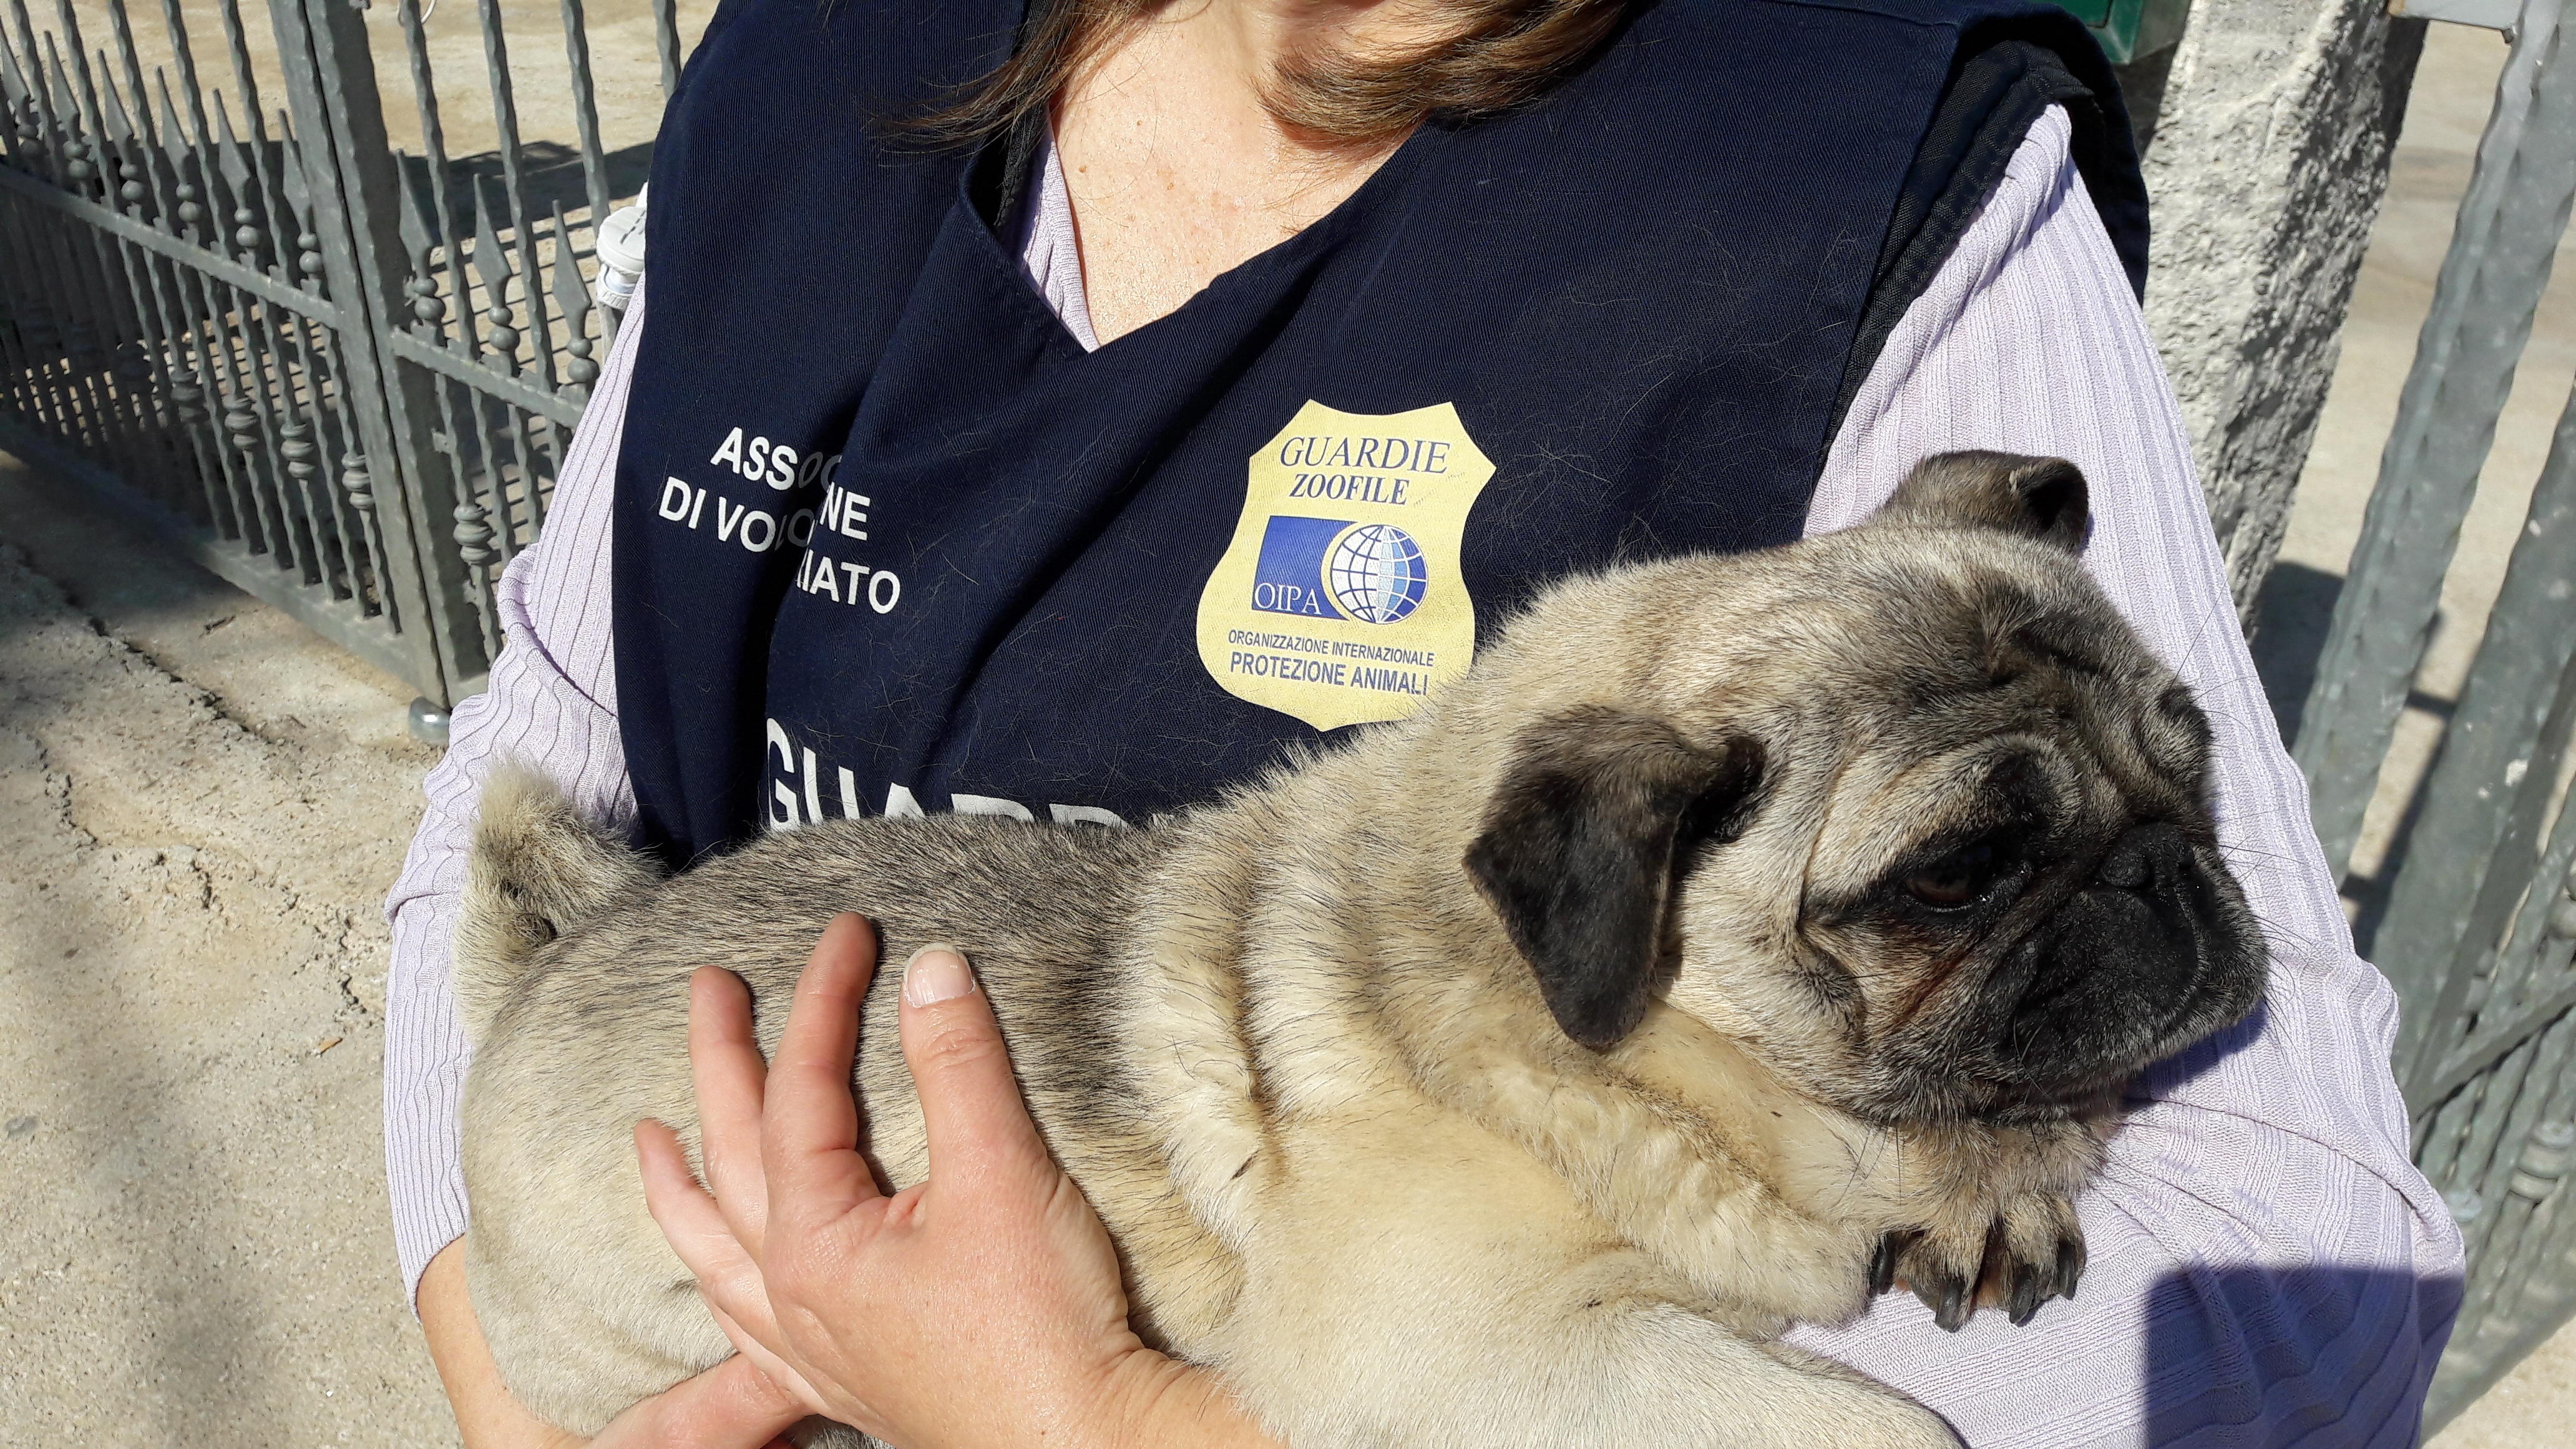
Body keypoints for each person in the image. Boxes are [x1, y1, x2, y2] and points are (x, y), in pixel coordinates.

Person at [384, 0, 2462, 1443]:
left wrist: (1103, 1428)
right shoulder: (817, 57)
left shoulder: (1862, 159)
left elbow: (2303, 1302)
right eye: (1960, 865)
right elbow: (541, 748)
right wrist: (506, 1354)